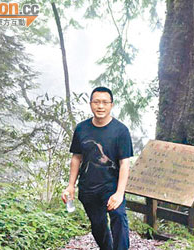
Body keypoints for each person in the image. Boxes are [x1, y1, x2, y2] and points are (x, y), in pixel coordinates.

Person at [62, 86, 133, 250]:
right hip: (88, 188)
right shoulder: (81, 129)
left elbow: (125, 163)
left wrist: (120, 193)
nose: (100, 106)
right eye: (96, 102)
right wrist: (71, 185)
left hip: (112, 187)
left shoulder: (121, 131)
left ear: (111, 105)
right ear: (90, 104)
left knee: (118, 216)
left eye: (105, 102)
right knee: (98, 226)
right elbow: (76, 157)